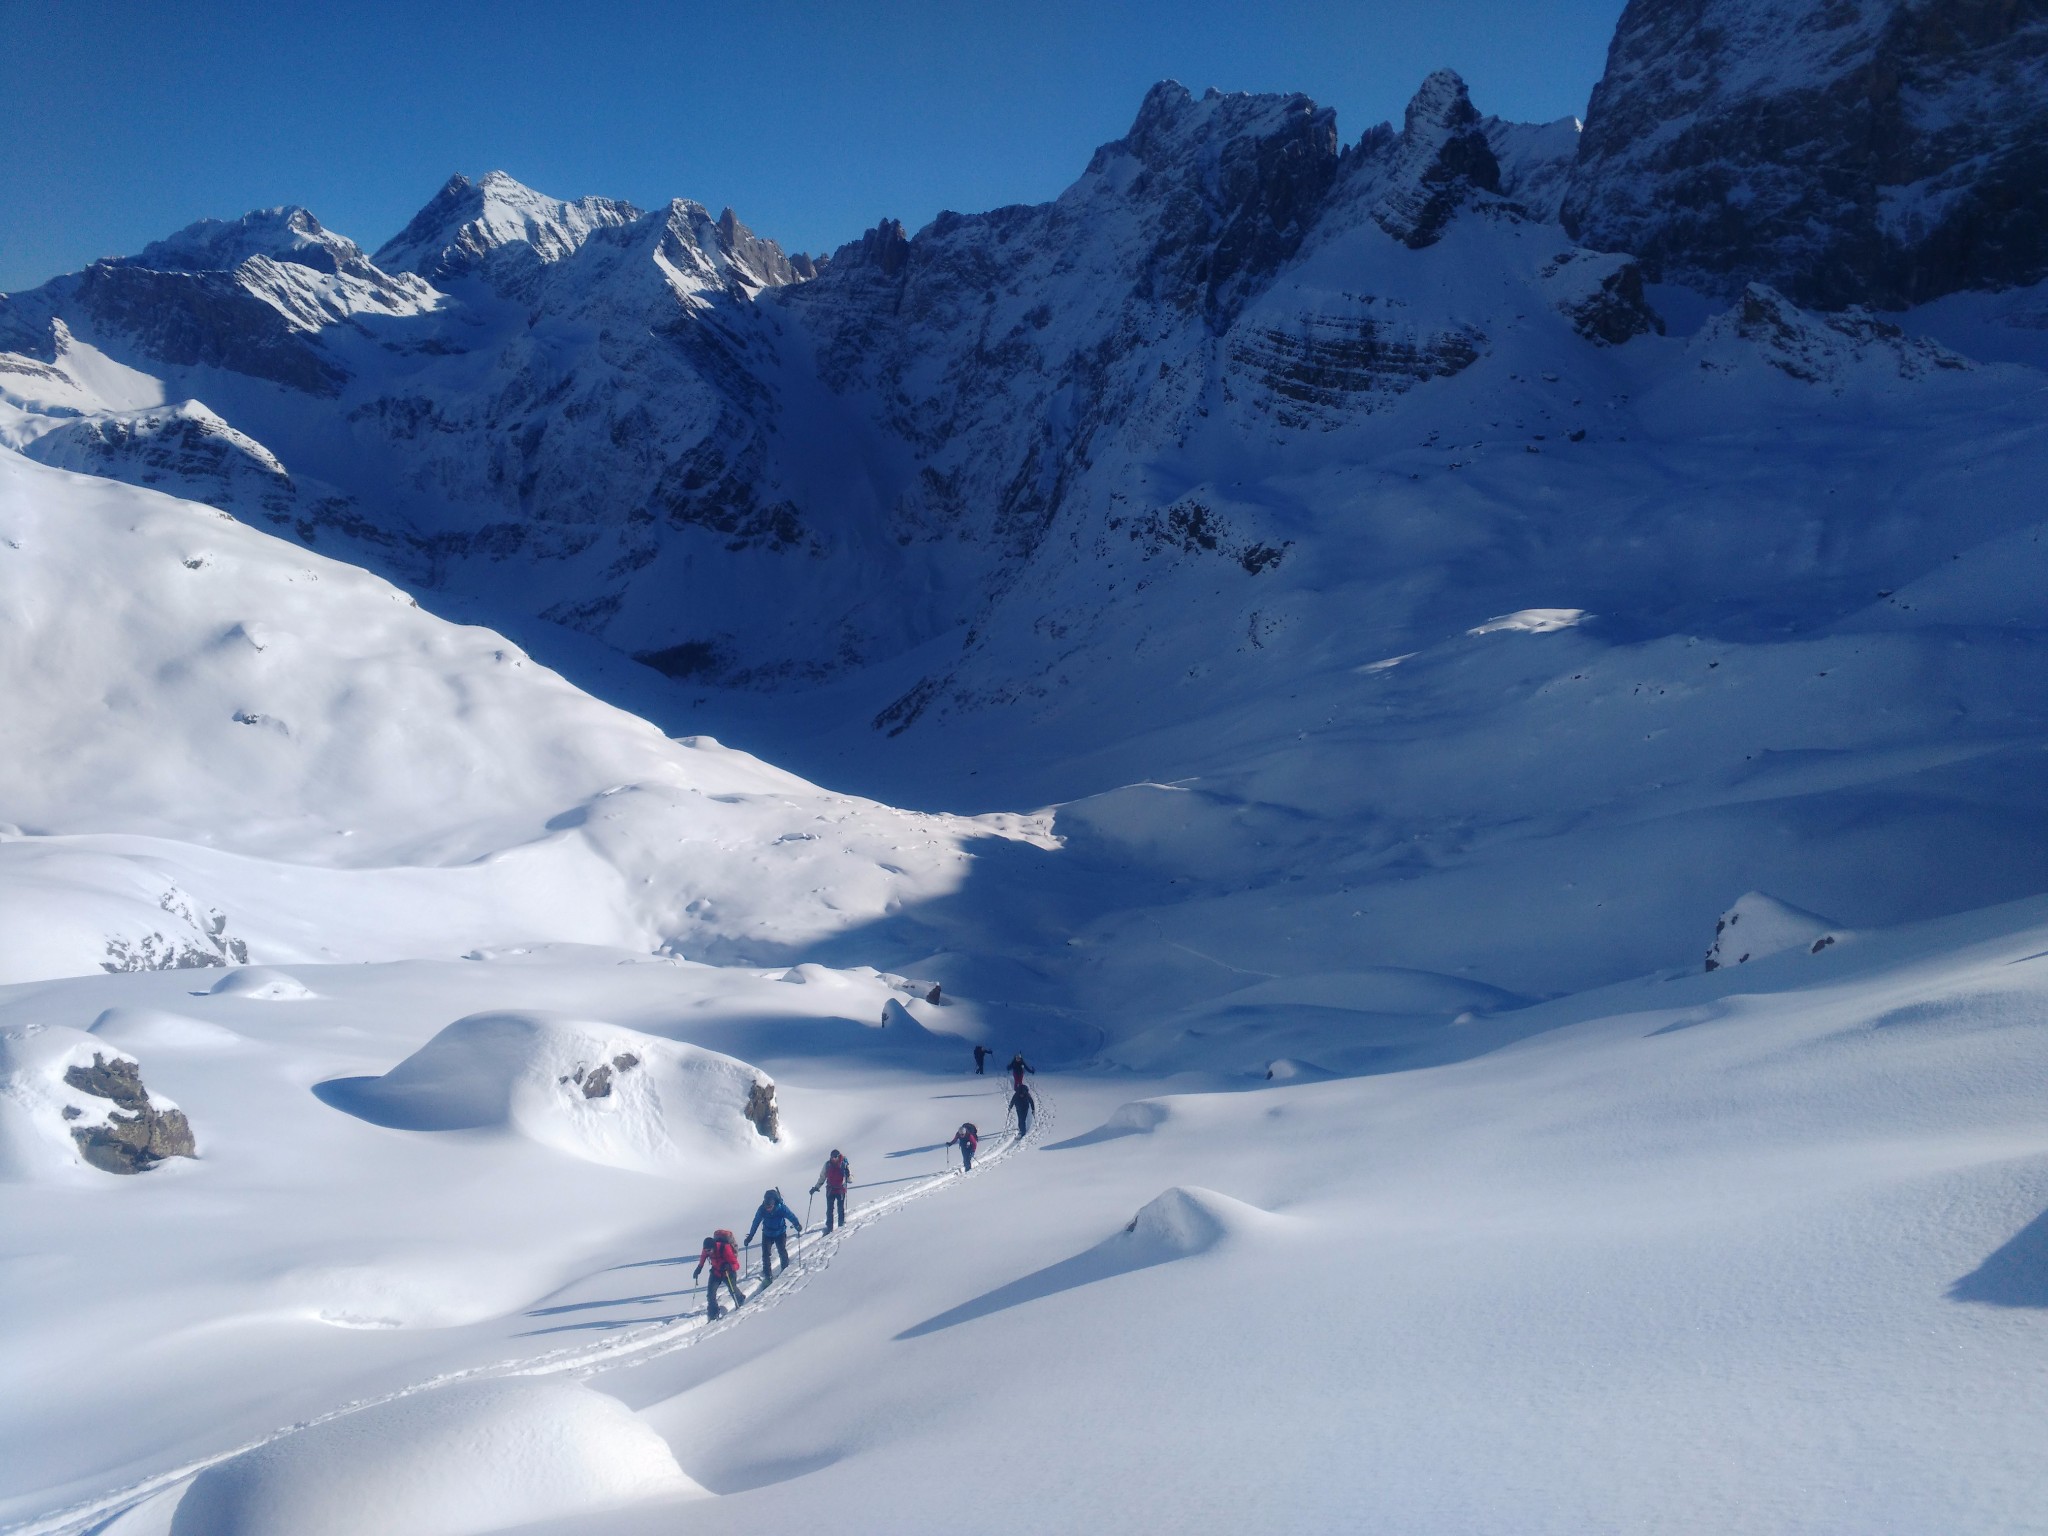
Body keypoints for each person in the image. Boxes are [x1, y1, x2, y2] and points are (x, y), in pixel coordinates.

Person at [745, 1188, 803, 1286]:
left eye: (770, 1207)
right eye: (767, 1207)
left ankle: (785, 1269)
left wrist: (797, 1224)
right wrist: (750, 1236)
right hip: (767, 1233)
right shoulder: (762, 1209)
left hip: (780, 1233)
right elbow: (756, 1222)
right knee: (766, 1255)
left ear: (774, 1204)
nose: (768, 1209)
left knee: (782, 1251)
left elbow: (791, 1216)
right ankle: (768, 1276)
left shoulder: (781, 1208)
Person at [694, 1229, 744, 1320]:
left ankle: (740, 1299)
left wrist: (729, 1266)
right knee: (710, 1293)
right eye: (706, 1250)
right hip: (716, 1271)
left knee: (732, 1289)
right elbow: (703, 1257)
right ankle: (713, 1312)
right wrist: (699, 1268)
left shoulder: (725, 1248)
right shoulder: (706, 1249)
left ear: (714, 1247)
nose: (707, 1252)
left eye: (709, 1250)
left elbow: (737, 1265)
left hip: (728, 1272)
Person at [812, 1149, 852, 1234]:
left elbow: (850, 1180)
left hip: (840, 1189)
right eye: (832, 1157)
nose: (833, 1158)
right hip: (830, 1189)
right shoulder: (827, 1165)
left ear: (838, 1156)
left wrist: (848, 1174)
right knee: (829, 1209)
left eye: (835, 1157)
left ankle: (841, 1225)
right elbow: (822, 1177)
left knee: (840, 1208)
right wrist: (816, 1187)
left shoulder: (844, 1164)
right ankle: (829, 1227)